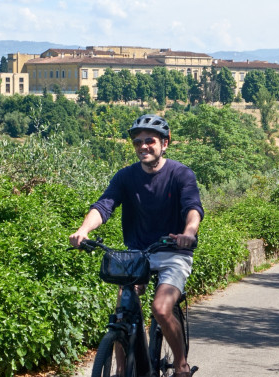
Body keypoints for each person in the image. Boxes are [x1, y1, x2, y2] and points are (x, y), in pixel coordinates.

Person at [69, 114, 202, 377]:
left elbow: (192, 209)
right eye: (137, 142)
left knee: (161, 309)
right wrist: (83, 230)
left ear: (165, 143)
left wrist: (188, 233)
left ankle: (181, 364)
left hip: (173, 251)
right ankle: (122, 371)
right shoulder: (126, 177)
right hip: (137, 254)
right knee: (123, 310)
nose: (143, 146)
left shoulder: (181, 174)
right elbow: (104, 205)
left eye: (149, 141)